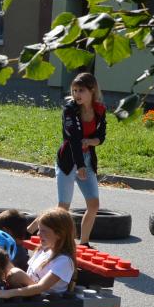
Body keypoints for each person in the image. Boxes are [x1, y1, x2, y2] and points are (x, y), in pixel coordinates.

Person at [57, 72, 106, 246]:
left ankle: (84, 243)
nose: (76, 94)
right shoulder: (69, 110)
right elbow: (73, 139)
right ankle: (35, 231)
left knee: (93, 205)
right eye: (74, 90)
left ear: (92, 91)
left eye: (81, 90)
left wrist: (90, 141)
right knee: (63, 208)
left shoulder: (99, 110)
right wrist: (80, 165)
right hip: (69, 160)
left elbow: (101, 137)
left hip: (87, 159)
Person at [0, 207, 77, 300]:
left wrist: (8, 293)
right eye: (39, 229)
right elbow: (29, 276)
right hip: (32, 295)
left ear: (59, 234)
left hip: (47, 301)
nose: (38, 234)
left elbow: (41, 287)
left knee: (15, 273)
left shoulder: (64, 261)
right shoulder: (43, 250)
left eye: (43, 231)